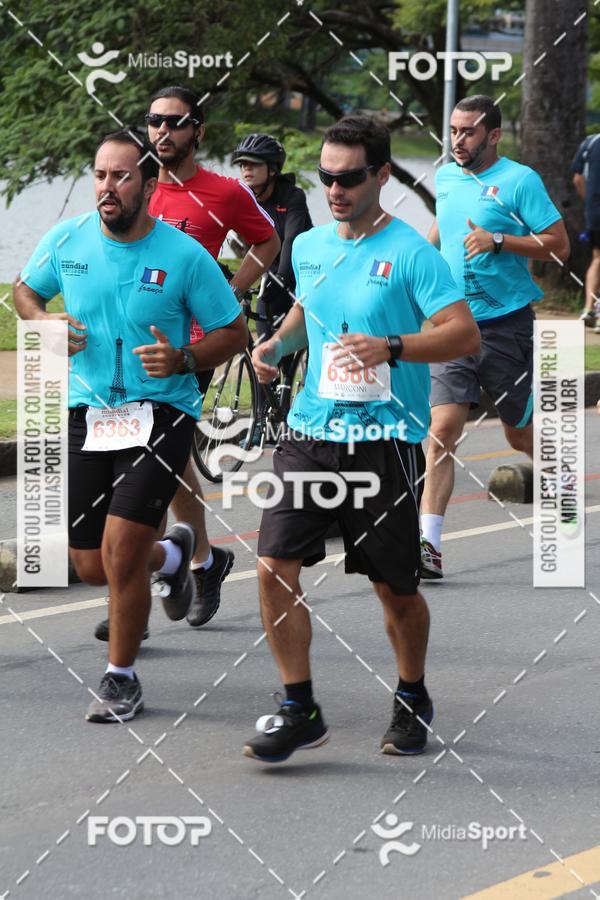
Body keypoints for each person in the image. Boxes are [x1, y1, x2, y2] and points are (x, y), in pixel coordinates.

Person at [245, 115, 479, 763]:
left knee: (395, 591)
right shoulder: (313, 246)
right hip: (312, 433)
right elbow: (304, 316)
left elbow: (464, 335)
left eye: (349, 177)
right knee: (271, 567)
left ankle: (412, 697)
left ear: (381, 175)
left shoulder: (412, 253)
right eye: (325, 177)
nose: (335, 189)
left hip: (386, 444)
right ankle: (299, 708)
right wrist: (275, 346)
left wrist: (393, 346)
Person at [14, 131, 247, 722]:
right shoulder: (66, 240)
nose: (107, 188)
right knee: (90, 565)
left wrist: (185, 360)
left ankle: (121, 678)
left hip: (160, 412)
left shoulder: (184, 255)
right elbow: (24, 291)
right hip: (87, 412)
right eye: (99, 175)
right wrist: (44, 318)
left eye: (120, 177)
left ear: (148, 184)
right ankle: (173, 559)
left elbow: (233, 331)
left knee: (120, 554)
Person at [93, 86, 280, 639]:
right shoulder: (132, 184)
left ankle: (137, 599)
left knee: (145, 457)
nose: (162, 132)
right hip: (123, 351)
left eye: (175, 123)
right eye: (154, 121)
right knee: (162, 461)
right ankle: (198, 561)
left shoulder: (222, 192)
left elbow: (266, 242)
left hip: (189, 349)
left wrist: (232, 289)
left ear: (197, 130)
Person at [420, 94, 570, 580]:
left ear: (494, 135)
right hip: (452, 324)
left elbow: (559, 245)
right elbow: (440, 232)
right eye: (454, 131)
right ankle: (429, 545)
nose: (457, 140)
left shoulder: (519, 180)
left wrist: (499, 241)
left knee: (518, 432)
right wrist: (412, 268)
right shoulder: (445, 177)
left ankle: (559, 475)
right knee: (441, 432)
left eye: (468, 132)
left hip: (506, 325)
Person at [231, 133, 313, 442]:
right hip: (270, 278)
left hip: (297, 276)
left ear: (273, 169)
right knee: (262, 352)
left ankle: (292, 407)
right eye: (242, 165)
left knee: (285, 352)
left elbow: (291, 242)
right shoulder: (243, 197)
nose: (246, 170)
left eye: (253, 164)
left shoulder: (292, 197)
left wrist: (279, 278)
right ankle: (259, 424)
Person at [571, 132, 600, 330]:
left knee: (597, 258)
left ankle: (589, 308)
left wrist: (588, 202)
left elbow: (577, 179)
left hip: (595, 211)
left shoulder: (591, 142)